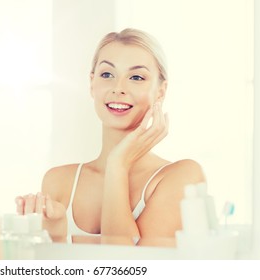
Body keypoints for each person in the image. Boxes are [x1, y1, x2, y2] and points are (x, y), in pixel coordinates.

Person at [15, 28, 206, 239]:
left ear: (160, 91)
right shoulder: (58, 181)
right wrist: (56, 233)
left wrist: (118, 165)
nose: (118, 88)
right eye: (107, 74)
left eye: (136, 77)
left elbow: (127, 268)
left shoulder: (181, 177)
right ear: (92, 83)